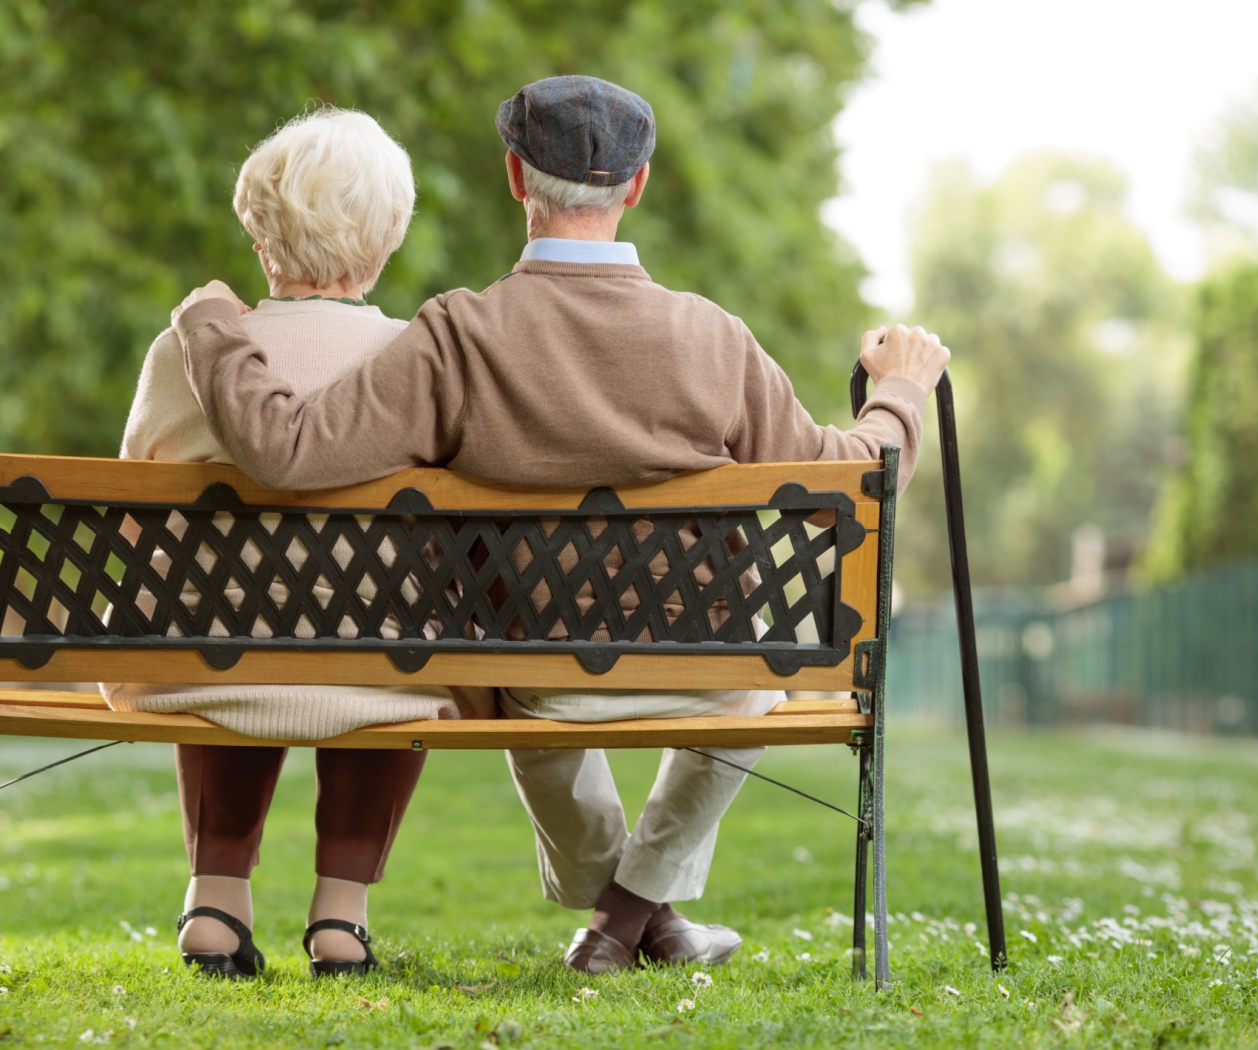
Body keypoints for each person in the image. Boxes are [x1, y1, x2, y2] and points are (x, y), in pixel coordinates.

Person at [167, 75, 949, 974]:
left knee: (527, 663)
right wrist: (900, 389)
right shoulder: (713, 339)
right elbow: (859, 480)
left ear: (514, 176)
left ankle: (625, 917)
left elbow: (291, 452)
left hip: (537, 682)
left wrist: (216, 325)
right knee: (763, 671)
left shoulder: (459, 334)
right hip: (707, 671)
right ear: (638, 185)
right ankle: (633, 914)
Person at [102, 106, 491, 980]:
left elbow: (132, 507)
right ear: (388, 236)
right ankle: (340, 918)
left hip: (206, 663)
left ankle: (215, 901)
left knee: (219, 615)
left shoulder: (189, 352)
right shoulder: (415, 357)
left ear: (260, 231)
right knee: (388, 632)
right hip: (378, 674)